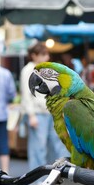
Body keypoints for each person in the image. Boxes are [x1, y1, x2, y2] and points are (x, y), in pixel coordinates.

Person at [20, 42, 69, 171]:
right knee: (38, 147)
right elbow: (26, 95)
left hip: (51, 113)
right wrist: (31, 115)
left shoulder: (46, 69)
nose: (46, 57)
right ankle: (38, 177)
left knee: (56, 144)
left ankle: (56, 173)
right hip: (37, 113)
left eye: (46, 54)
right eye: (43, 55)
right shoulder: (28, 70)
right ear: (34, 55)